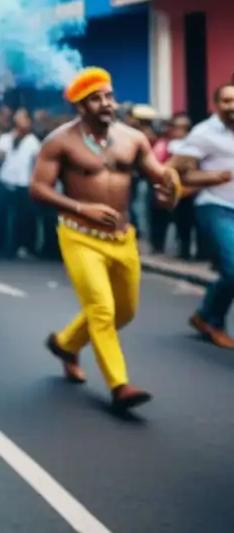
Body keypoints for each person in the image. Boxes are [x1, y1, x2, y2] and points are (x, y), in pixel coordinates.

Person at [30, 67, 178, 411]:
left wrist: (168, 187)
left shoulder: (133, 138)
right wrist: (83, 207)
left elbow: (158, 177)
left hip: (123, 238)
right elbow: (37, 189)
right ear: (80, 106)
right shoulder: (60, 142)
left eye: (108, 96)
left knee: (124, 312)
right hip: (80, 236)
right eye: (95, 99)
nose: (106, 103)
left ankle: (66, 344)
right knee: (101, 308)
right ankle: (119, 385)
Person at [168, 85, 234, 349]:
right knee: (233, 268)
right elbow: (174, 171)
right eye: (227, 101)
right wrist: (212, 177)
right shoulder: (203, 134)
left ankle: (203, 315)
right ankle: (213, 320)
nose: (233, 106)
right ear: (216, 104)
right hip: (215, 206)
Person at [0, 108, 41, 258]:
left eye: (23, 118)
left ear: (29, 122)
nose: (19, 120)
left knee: (24, 218)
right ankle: (0, 246)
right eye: (17, 117)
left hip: (23, 183)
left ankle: (24, 247)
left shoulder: (34, 142)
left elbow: (37, 163)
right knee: (0, 215)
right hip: (5, 180)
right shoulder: (5, 138)